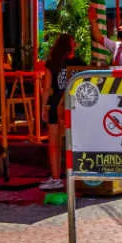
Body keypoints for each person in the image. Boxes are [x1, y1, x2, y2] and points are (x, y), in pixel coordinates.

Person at [39, 33, 84, 191]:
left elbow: (46, 89)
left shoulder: (52, 63)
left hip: (54, 103)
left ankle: (56, 177)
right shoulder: (78, 63)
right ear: (71, 46)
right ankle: (76, 175)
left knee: (54, 144)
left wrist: (42, 107)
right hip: (72, 104)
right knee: (74, 142)